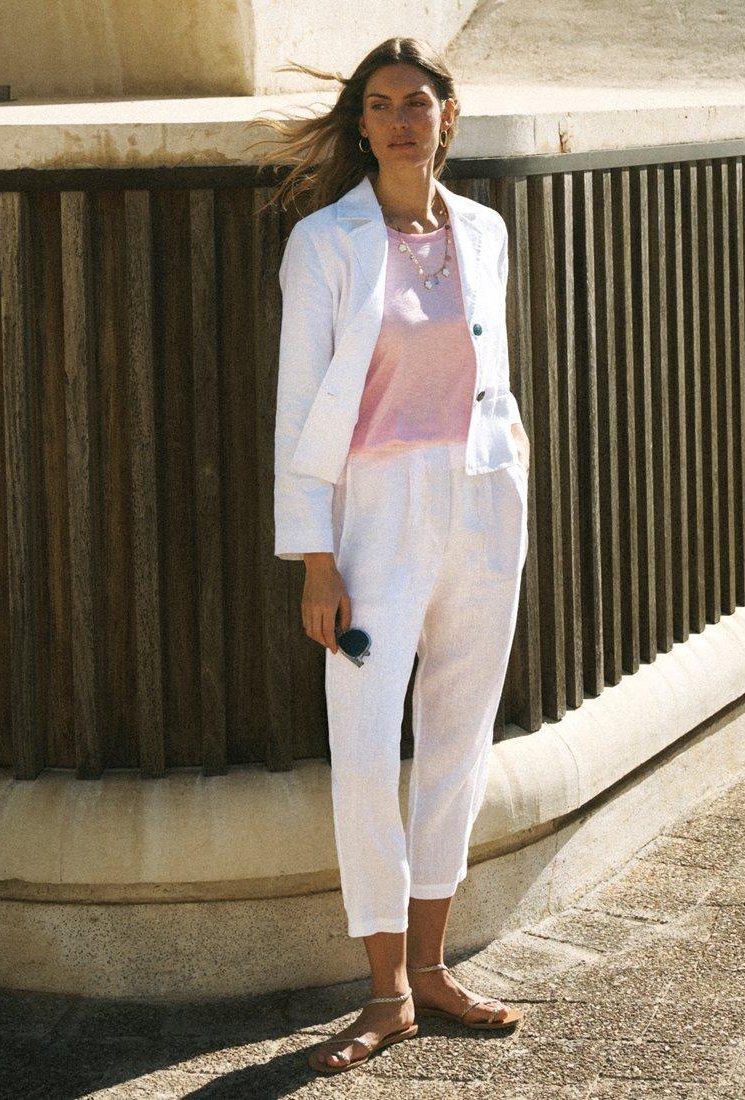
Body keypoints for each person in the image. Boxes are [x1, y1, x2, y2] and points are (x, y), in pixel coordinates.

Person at [257, 36, 530, 1075]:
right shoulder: (324, 241)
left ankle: (431, 968)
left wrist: (511, 465)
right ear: (361, 124)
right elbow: (298, 405)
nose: (402, 120)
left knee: (458, 737)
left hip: (482, 501)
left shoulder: (483, 230)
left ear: (446, 115)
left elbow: (489, 366)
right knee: (368, 747)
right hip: (374, 512)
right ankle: (383, 992)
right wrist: (314, 558)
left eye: (418, 102)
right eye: (381, 105)